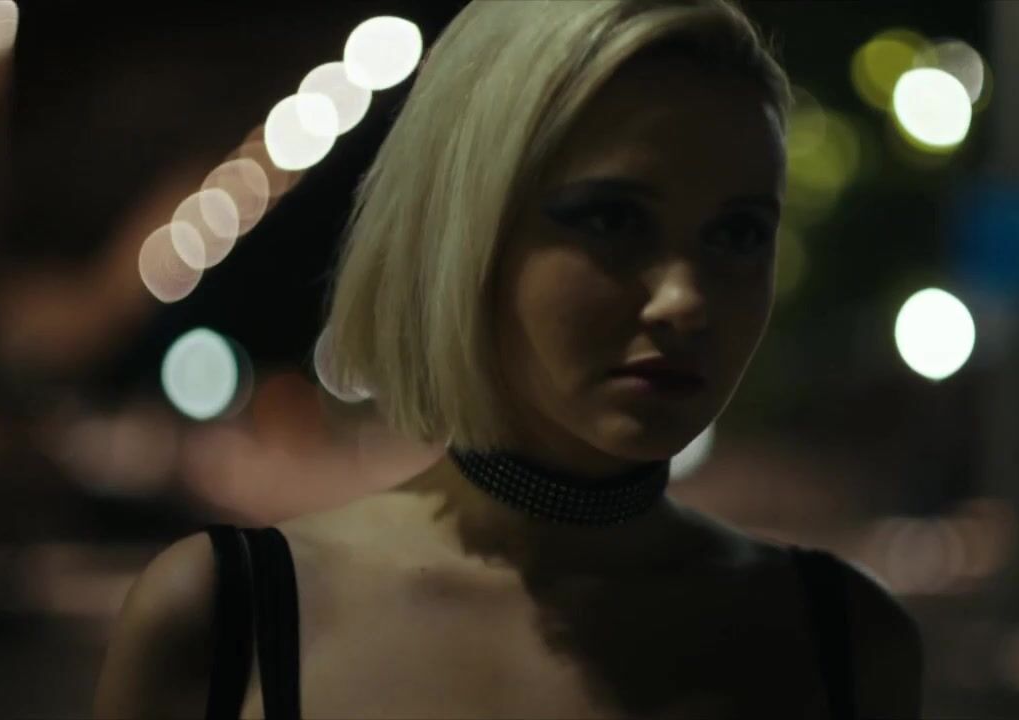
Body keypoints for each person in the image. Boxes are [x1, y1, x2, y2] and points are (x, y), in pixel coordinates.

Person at [94, 0, 923, 718]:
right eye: (612, 220)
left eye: (739, 233)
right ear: (467, 233)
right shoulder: (224, 621)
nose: (686, 298)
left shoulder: (845, 643)